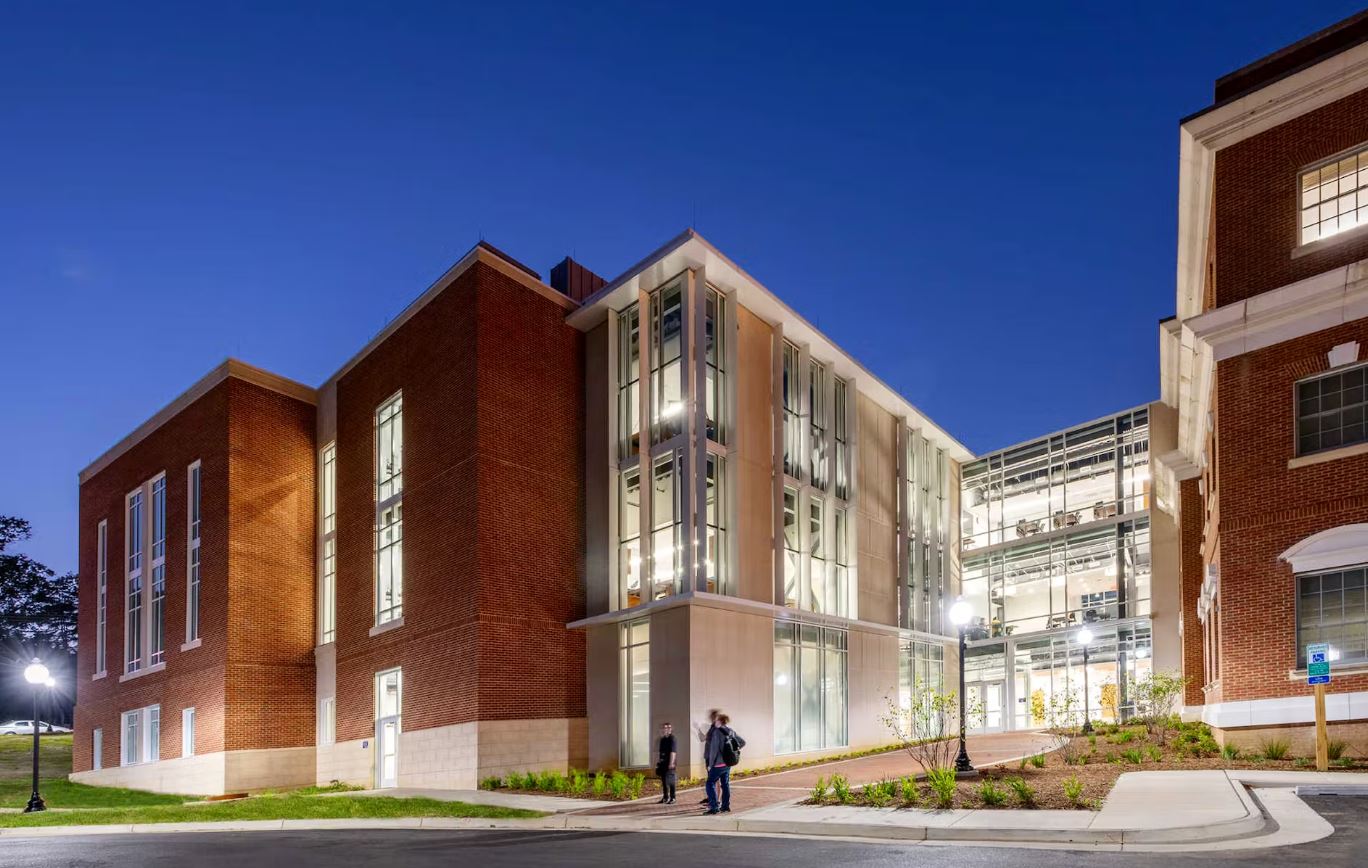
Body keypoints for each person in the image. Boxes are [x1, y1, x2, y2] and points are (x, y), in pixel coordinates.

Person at [702, 711, 744, 815]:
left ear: (720, 721)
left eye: (716, 720)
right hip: (727, 764)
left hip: (717, 764)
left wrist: (710, 765)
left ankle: (714, 807)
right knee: (725, 785)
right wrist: (734, 750)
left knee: (710, 783)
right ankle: (725, 806)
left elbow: (714, 750)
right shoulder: (730, 731)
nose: (714, 721)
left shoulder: (717, 732)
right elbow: (742, 742)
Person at [654, 722, 678, 804]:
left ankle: (673, 797)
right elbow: (660, 752)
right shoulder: (662, 739)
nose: (666, 729)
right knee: (664, 780)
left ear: (671, 729)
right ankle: (665, 797)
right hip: (663, 763)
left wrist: (671, 763)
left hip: (670, 763)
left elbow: (673, 752)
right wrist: (658, 762)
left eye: (668, 728)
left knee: (671, 781)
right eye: (664, 728)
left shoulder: (672, 739)